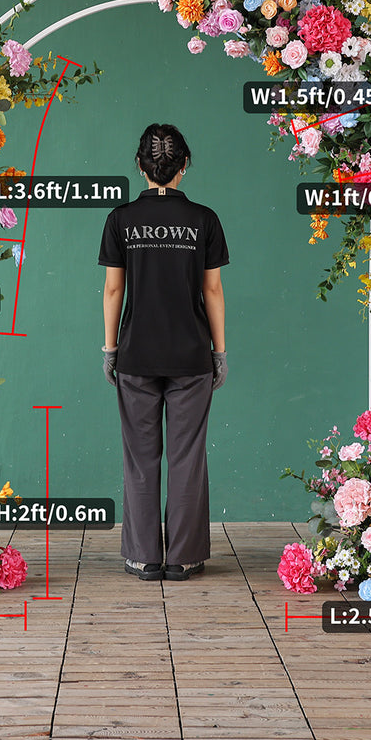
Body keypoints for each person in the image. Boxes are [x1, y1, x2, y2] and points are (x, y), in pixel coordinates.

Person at [98, 124, 228, 581]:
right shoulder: (204, 219)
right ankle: (183, 558)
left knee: (140, 456)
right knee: (187, 458)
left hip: (136, 354)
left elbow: (115, 289)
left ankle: (143, 557)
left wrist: (110, 348)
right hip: (192, 354)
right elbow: (212, 290)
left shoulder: (120, 219)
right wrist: (220, 351)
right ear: (184, 165)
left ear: (140, 165)